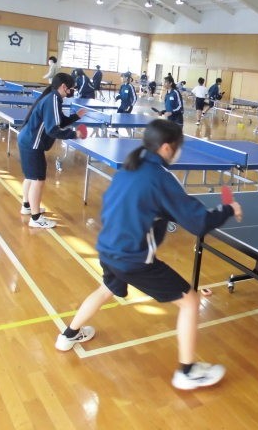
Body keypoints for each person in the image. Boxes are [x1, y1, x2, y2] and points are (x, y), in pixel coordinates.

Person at [54, 119, 243, 390]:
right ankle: (187, 372)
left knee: (106, 289)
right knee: (190, 301)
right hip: (134, 260)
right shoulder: (160, 178)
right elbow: (198, 223)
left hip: (107, 249)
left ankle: (68, 335)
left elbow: (124, 205)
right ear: (166, 148)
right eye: (178, 146)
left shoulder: (128, 167)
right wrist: (227, 210)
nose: (179, 151)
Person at [17, 73, 88, 229]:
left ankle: (27, 206)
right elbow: (53, 130)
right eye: (72, 88)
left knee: (30, 177)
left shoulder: (52, 98)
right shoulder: (53, 99)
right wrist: (74, 134)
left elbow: (59, 120)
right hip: (32, 143)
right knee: (38, 179)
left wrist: (75, 117)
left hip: (26, 140)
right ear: (64, 87)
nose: (72, 91)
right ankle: (36, 218)